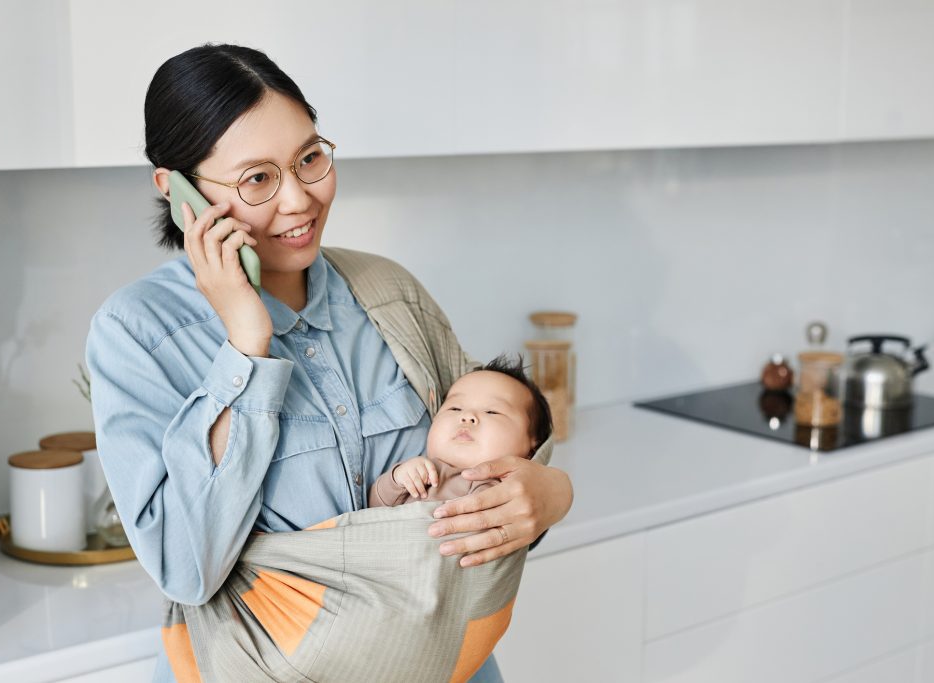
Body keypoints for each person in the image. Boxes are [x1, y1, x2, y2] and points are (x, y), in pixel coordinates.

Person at [85, 43, 573, 683]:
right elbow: (188, 568)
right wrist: (245, 343)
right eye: (257, 178)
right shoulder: (139, 333)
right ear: (178, 191)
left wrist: (552, 493)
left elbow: (500, 442)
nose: (299, 200)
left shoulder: (387, 291)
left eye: (309, 159)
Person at [370, 355, 552, 508]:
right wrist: (397, 479)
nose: (467, 416)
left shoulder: (510, 491)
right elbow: (372, 513)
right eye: (455, 408)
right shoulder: (421, 472)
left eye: (491, 411)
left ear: (532, 447)